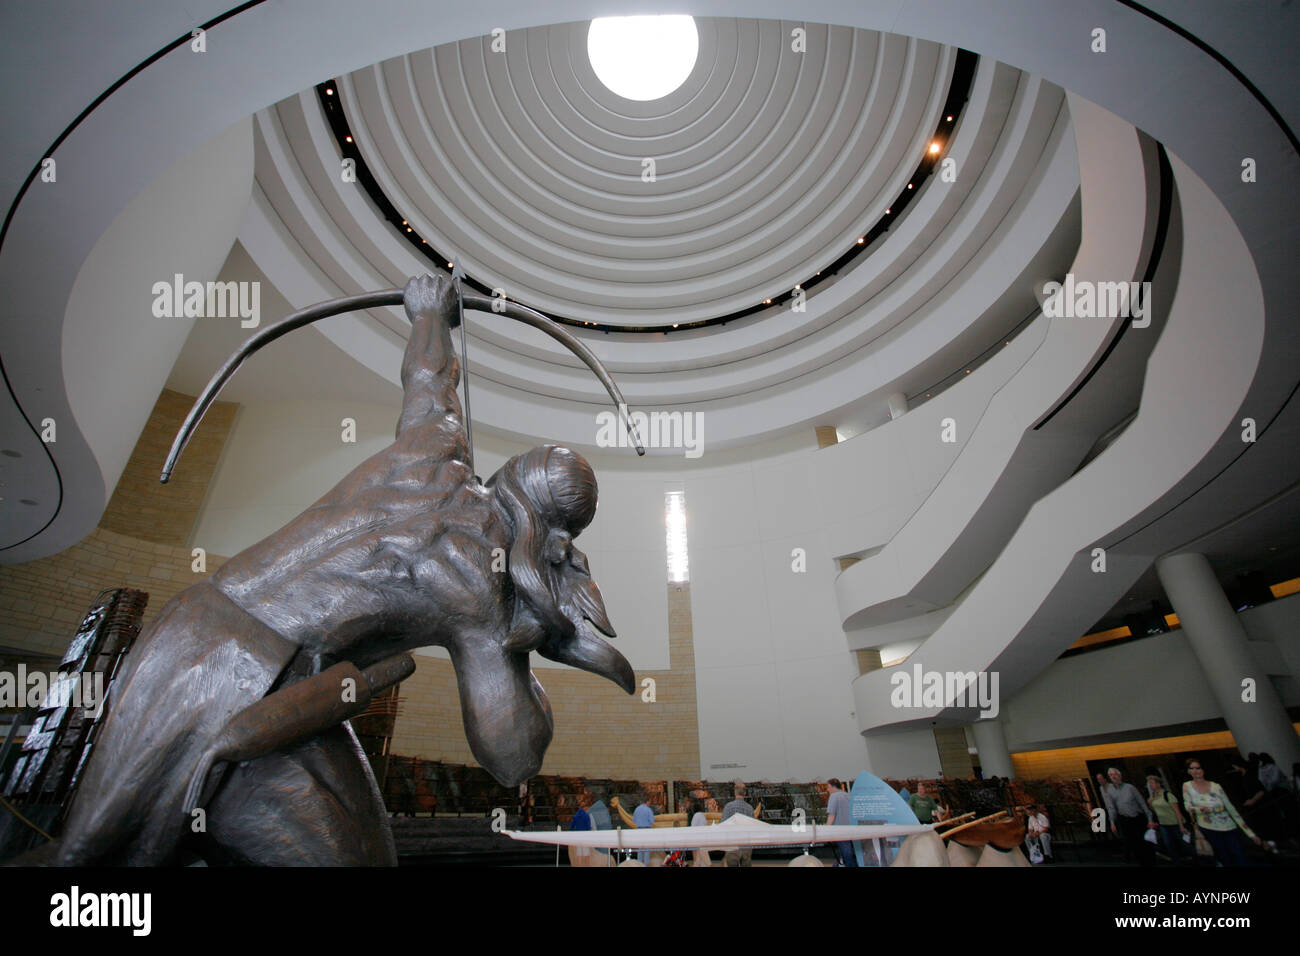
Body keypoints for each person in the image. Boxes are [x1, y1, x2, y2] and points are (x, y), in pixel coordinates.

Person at [1182, 757, 1260, 866]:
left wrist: (1250, 834)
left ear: (1203, 770)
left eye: (1198, 768)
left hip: (1228, 826)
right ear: (1188, 771)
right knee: (1224, 859)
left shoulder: (1215, 786)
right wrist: (1200, 810)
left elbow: (1230, 808)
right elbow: (1187, 806)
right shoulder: (1187, 786)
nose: (1195, 771)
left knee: (1240, 856)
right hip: (1209, 828)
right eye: (1192, 768)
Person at [1103, 767, 1157, 866]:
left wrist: (1149, 819)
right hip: (1125, 819)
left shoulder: (1130, 788)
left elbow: (1142, 803)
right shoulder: (1110, 792)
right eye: (1111, 775)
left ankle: (1151, 862)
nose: (1113, 776)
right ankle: (1142, 862)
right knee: (1133, 844)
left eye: (1115, 774)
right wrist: (1112, 822)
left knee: (1145, 843)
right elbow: (1111, 808)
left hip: (1137, 818)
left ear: (1120, 775)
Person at [1146, 775, 1188, 863]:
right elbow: (1155, 811)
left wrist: (1181, 826)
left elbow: (1177, 811)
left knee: (1184, 844)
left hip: (1174, 823)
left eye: (1152, 783)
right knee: (1169, 846)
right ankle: (1177, 861)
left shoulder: (1167, 795)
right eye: (1149, 783)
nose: (1150, 785)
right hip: (1163, 825)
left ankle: (1198, 858)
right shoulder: (1153, 797)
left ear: (1158, 784)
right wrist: (1150, 804)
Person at [721, 782, 755, 866]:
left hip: (732, 845)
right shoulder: (750, 808)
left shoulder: (728, 807)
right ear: (745, 793)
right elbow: (753, 827)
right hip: (746, 845)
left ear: (735, 792)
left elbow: (722, 825)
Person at [825, 777, 857, 867]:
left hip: (841, 831)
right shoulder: (848, 795)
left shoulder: (834, 796)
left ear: (833, 787)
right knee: (849, 854)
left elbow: (831, 815)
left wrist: (826, 830)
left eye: (828, 787)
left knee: (847, 855)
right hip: (853, 830)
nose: (827, 789)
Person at [632, 793, 656, 866]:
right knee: (647, 849)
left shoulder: (637, 809)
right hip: (647, 830)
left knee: (640, 848)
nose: (650, 803)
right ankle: (646, 865)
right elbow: (652, 821)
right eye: (650, 802)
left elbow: (634, 821)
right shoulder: (648, 810)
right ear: (647, 801)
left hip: (639, 830)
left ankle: (639, 864)